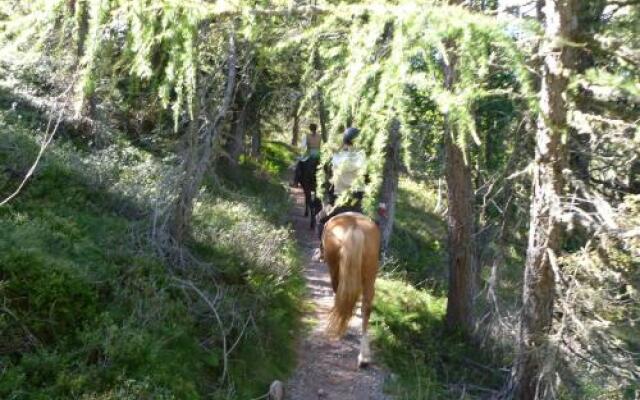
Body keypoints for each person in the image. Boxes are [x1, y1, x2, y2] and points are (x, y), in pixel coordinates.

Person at [315, 127, 366, 260]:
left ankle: (322, 250)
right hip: (358, 202)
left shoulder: (336, 157)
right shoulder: (364, 158)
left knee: (319, 219)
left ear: (345, 140)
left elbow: (329, 178)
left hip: (339, 201)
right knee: (376, 224)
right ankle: (378, 255)